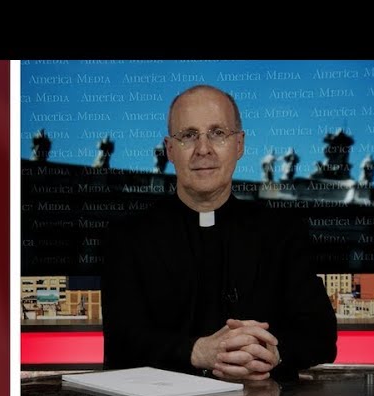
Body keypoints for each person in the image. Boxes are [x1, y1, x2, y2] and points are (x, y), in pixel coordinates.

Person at [102, 85, 337, 381]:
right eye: (189, 135)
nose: (203, 149)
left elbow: (320, 336)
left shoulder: (282, 233)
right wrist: (197, 351)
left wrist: (271, 352)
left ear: (239, 145)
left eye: (217, 133)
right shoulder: (128, 237)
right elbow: (121, 342)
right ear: (170, 150)